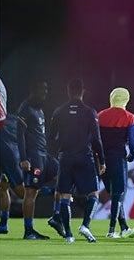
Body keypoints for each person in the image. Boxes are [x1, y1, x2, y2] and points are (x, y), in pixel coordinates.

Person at [48, 78, 106, 243]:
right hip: (84, 158)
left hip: (65, 158)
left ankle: (69, 235)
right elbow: (97, 139)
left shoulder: (59, 111)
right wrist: (102, 160)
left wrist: (58, 153)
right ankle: (85, 226)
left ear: (68, 91)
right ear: (83, 91)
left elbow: (51, 138)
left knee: (65, 196)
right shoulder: (89, 112)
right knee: (93, 194)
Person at [17, 80, 66, 239]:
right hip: (33, 156)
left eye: (46, 89)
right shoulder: (25, 109)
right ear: (33, 90)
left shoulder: (39, 110)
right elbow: (19, 135)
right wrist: (24, 158)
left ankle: (56, 217)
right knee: (30, 192)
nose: (45, 92)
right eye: (42, 89)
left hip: (44, 155)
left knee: (64, 179)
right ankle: (28, 231)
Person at [98, 87, 134, 239]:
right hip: (118, 158)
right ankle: (111, 231)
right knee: (119, 193)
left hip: (102, 160)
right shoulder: (129, 117)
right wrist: (133, 155)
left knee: (113, 192)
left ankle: (124, 228)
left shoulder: (100, 115)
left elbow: (94, 138)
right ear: (126, 99)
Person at [0, 74, 25, 235]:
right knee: (2, 187)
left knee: (21, 191)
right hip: (1, 133)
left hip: (0, 136)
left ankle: (59, 191)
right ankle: (4, 225)